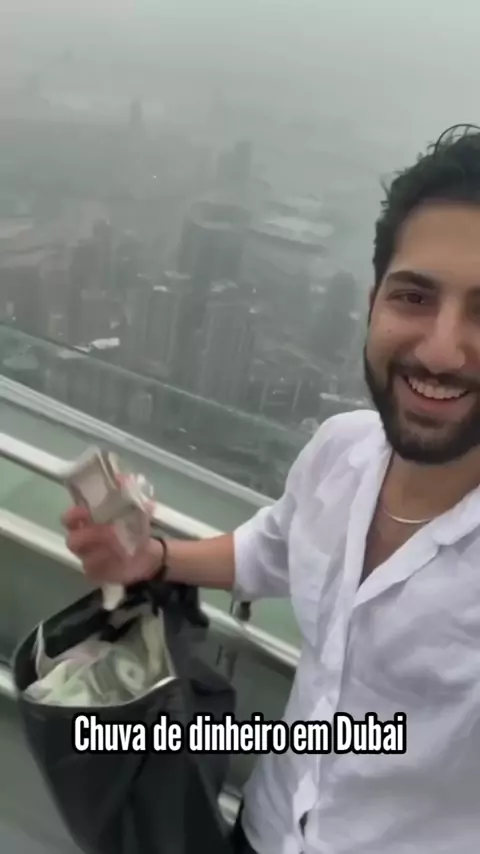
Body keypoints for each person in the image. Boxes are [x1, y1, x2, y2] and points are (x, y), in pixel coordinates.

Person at [62, 124, 480, 854]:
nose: (441, 350)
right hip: (264, 827)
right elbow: (273, 548)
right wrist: (155, 557)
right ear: (373, 303)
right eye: (415, 296)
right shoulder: (341, 451)